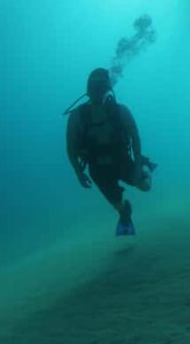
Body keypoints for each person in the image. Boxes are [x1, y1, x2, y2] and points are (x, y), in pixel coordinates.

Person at [65, 68, 156, 235]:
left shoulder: (120, 111)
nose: (96, 93)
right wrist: (78, 172)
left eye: (100, 88)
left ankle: (145, 165)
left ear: (107, 89)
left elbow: (135, 138)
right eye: (93, 88)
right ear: (87, 90)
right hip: (97, 169)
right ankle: (124, 212)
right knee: (117, 203)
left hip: (121, 161)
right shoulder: (77, 116)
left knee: (145, 186)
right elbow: (70, 147)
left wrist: (137, 166)